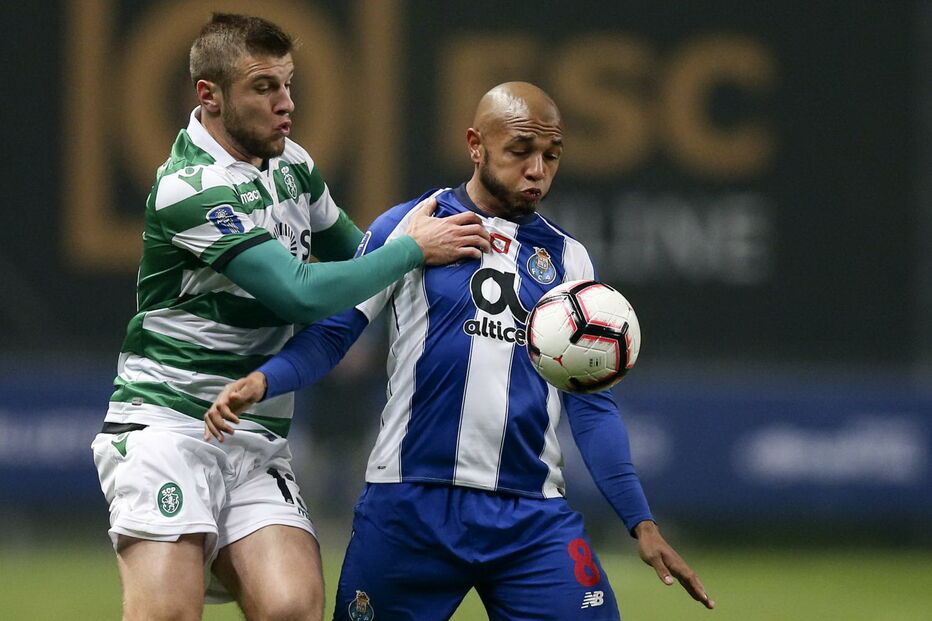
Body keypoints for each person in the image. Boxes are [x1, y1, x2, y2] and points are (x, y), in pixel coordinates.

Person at [206, 81, 714, 620]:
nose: (537, 169)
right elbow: (334, 333)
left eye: (551, 155)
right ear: (476, 145)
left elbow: (590, 404)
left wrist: (642, 523)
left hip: (530, 517)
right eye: (521, 151)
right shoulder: (411, 226)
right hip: (410, 507)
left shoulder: (570, 260)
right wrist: (266, 379)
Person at [90, 13, 489, 621]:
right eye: (264, 87)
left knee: (291, 608)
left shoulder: (293, 166)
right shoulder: (188, 187)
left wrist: (423, 261)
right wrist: (409, 248)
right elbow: (299, 294)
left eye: (288, 84)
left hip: (256, 438)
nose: (287, 103)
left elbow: (360, 263)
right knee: (166, 615)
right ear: (210, 96)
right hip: (166, 430)